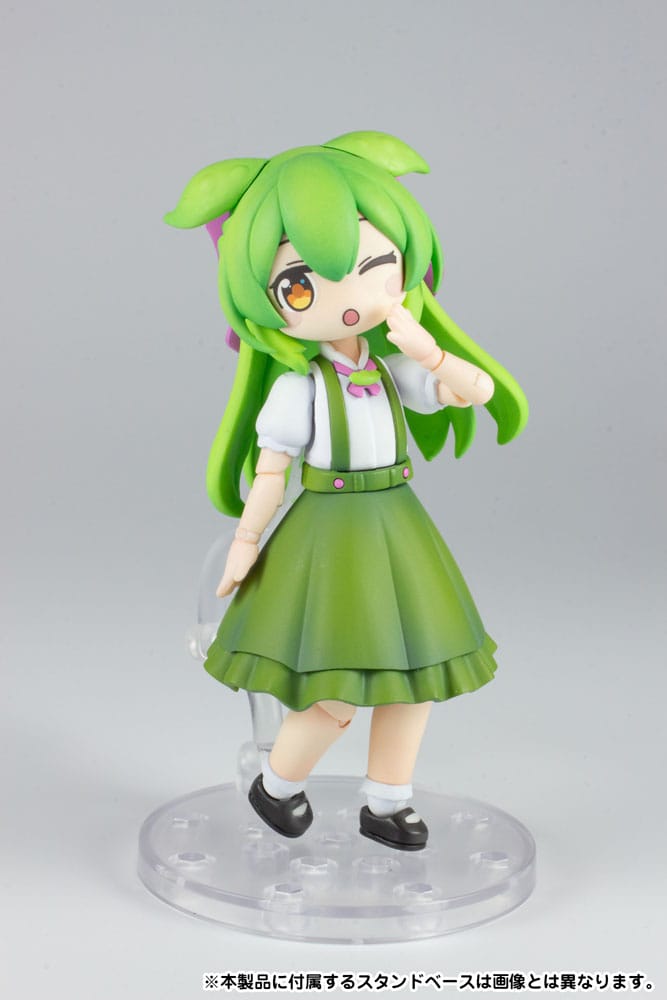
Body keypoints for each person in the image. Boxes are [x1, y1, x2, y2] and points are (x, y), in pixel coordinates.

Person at [165, 131, 528, 850]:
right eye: (301, 285)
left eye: (376, 267)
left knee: (413, 681)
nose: (351, 297)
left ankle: (387, 802)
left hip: (397, 528)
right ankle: (277, 783)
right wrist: (246, 543)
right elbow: (272, 472)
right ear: (267, 303)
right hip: (326, 537)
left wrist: (426, 348)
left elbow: (476, 390)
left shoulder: (395, 372)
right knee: (332, 692)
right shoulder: (298, 388)